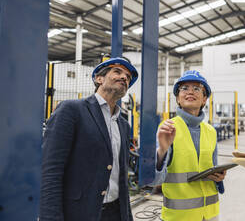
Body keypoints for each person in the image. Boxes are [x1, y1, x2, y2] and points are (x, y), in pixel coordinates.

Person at [40, 57, 138, 221]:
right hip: (80, 213)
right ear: (99, 78)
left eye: (128, 77)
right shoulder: (72, 110)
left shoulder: (123, 125)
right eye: (117, 71)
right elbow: (50, 170)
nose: (124, 78)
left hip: (115, 213)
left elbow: (121, 178)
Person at [151, 70, 226, 221]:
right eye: (184, 88)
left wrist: (219, 177)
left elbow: (215, 170)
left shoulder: (211, 131)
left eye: (197, 89)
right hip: (179, 217)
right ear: (178, 99)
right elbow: (155, 181)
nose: (190, 92)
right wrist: (162, 151)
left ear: (204, 99)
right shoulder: (167, 129)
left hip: (210, 214)